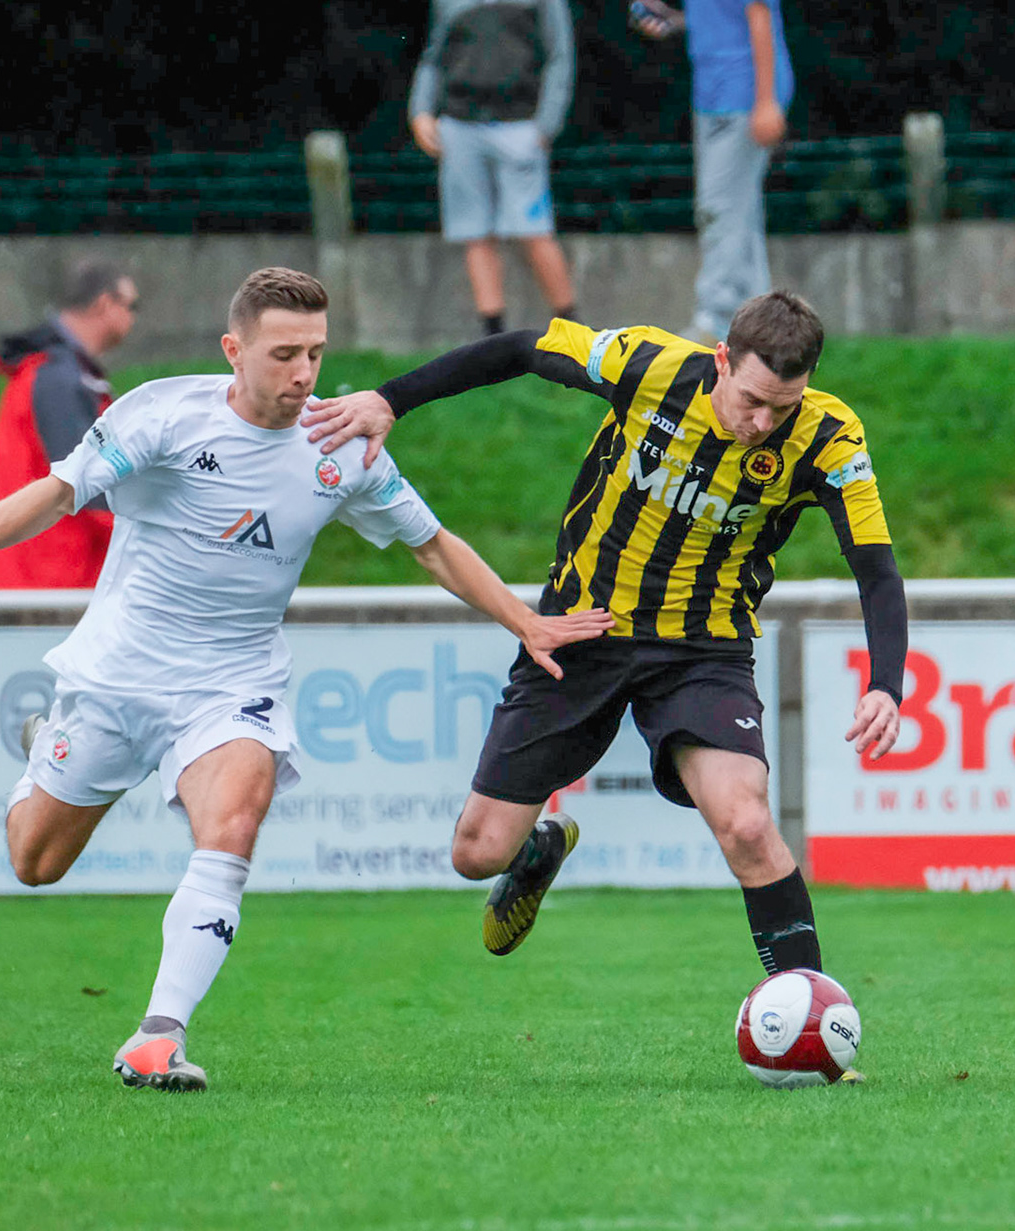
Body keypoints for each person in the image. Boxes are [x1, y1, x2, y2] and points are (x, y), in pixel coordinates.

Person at [0, 268, 609, 1092]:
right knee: (34, 863)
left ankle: (159, 1035)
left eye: (317, 354)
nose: (305, 375)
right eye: (285, 354)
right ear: (235, 351)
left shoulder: (343, 443)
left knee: (233, 822)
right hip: (118, 677)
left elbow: (432, 543)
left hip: (232, 685)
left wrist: (525, 620)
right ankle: (49, 744)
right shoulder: (163, 414)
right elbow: (55, 495)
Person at [304, 292, 903, 1001]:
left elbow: (875, 568)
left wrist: (885, 682)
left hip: (701, 651)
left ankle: (811, 1015)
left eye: (783, 406)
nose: (763, 423)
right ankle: (535, 848)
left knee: (746, 824)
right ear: (721, 362)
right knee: (476, 854)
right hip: (579, 630)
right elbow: (520, 348)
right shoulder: (647, 363)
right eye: (752, 401)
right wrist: (389, 400)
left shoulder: (831, 437)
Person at [408, 0, 579, 336]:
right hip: (459, 124)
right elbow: (434, 57)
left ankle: (575, 330)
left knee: (534, 230)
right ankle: (493, 338)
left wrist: (547, 124)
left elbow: (560, 56)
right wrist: (421, 110)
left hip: (521, 125)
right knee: (474, 233)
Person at [0, 261, 139, 588]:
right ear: (105, 303)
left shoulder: (51, 371)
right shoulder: (58, 378)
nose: (134, 316)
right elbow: (90, 488)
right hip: (42, 586)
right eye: (132, 306)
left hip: (29, 580)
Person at [631, 0, 793, 343]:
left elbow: (759, 15)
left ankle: (715, 322)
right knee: (740, 213)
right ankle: (761, 326)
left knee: (719, 210)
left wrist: (766, 102)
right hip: (715, 96)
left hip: (741, 96)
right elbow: (721, 18)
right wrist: (672, 19)